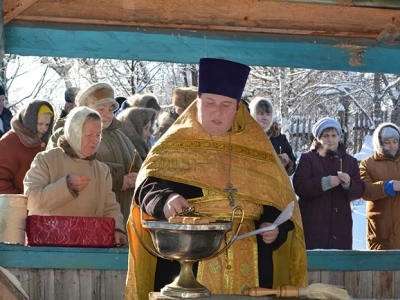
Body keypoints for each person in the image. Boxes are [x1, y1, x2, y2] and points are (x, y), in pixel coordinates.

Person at [125, 58, 307, 300]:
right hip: (188, 259)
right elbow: (147, 186)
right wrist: (165, 200)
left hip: (252, 261)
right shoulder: (176, 142)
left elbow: (278, 201)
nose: (217, 112)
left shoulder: (258, 148)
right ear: (198, 102)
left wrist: (273, 226)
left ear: (237, 107)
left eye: (226, 104)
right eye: (209, 102)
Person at [24, 107, 126, 245]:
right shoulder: (47, 160)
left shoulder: (102, 170)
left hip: (91, 248)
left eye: (98, 134)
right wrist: (66, 186)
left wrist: (117, 228)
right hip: (49, 246)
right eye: (89, 134)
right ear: (74, 132)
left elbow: (110, 207)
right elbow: (31, 200)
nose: (95, 140)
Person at [47, 83, 141, 223]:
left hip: (121, 219)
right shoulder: (65, 134)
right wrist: (118, 179)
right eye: (101, 109)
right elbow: (68, 169)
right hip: (83, 221)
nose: (108, 115)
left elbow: (137, 162)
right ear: (85, 111)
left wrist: (137, 177)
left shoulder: (121, 136)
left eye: (110, 109)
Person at [293, 117, 365, 250]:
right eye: (326, 136)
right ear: (318, 137)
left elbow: (359, 190)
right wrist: (324, 183)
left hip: (340, 226)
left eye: (334, 135)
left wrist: (348, 183)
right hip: (313, 223)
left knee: (340, 266)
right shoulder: (308, 158)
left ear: (339, 136)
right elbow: (300, 186)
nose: (330, 139)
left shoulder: (350, 161)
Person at [359, 122, 400, 250]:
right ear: (379, 143)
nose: (392, 146)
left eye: (395, 141)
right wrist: (386, 187)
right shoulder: (367, 164)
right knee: (380, 267)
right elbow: (364, 191)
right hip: (381, 229)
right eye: (387, 142)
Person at [0, 100, 54, 194]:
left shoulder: (47, 142)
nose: (44, 129)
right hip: (17, 205)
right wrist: (19, 203)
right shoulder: (8, 143)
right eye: (40, 124)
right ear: (29, 121)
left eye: (47, 125)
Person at [249, 98, 296, 175]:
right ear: (252, 114)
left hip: (273, 185)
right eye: (260, 114)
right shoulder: (244, 136)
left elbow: (292, 168)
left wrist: (286, 164)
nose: (265, 118)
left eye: (268, 114)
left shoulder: (279, 139)